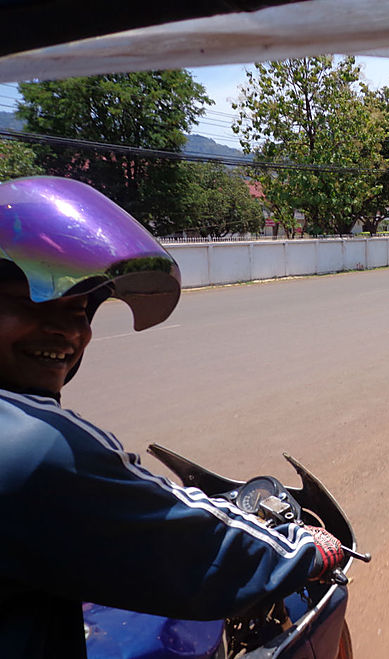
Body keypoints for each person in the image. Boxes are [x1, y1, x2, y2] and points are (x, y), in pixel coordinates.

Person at [0, 176, 344, 657]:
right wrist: (301, 548)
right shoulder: (33, 444)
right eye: (31, 303)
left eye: (79, 309)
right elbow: (188, 541)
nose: (67, 331)